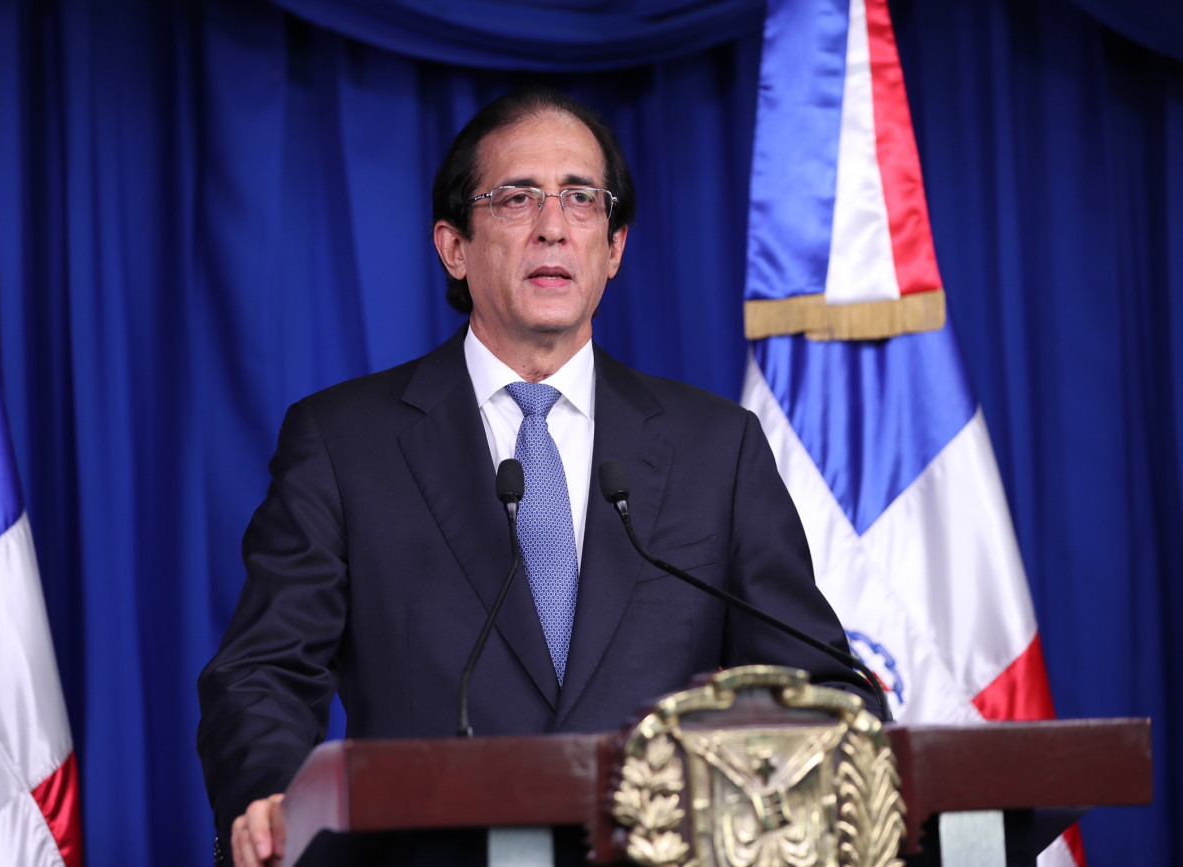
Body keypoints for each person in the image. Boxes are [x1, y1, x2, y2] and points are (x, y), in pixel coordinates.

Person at [197, 88, 879, 867]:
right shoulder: (344, 442)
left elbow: (822, 689)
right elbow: (264, 672)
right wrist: (271, 796)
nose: (553, 225)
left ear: (614, 248)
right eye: (517, 198)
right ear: (454, 246)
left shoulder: (716, 449)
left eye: (582, 198)